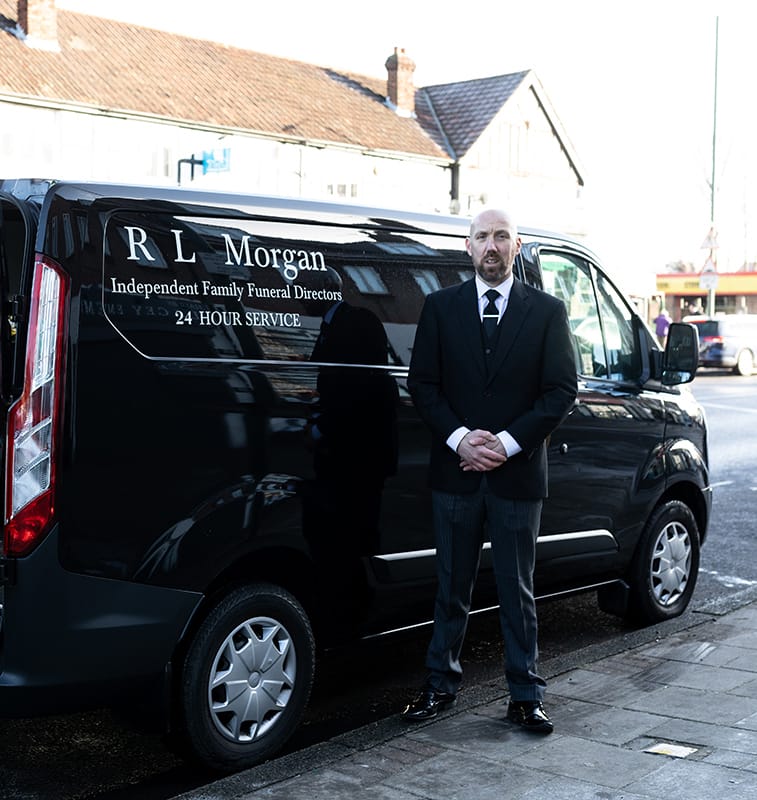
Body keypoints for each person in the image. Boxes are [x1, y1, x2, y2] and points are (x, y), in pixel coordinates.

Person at [401, 208, 577, 734]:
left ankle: (525, 696)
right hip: (456, 471)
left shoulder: (547, 312)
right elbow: (423, 385)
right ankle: (439, 687)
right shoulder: (439, 308)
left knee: (516, 587)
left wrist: (504, 443)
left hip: (516, 476)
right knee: (450, 585)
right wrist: (462, 439)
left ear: (517, 246)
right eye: (483, 237)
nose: (492, 246)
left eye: (502, 236)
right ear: (469, 247)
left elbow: (561, 391)